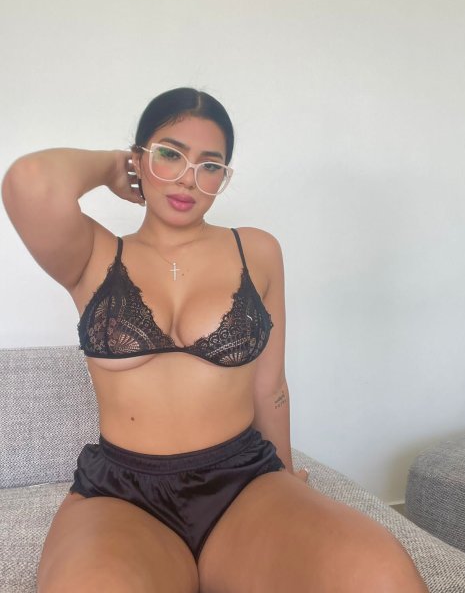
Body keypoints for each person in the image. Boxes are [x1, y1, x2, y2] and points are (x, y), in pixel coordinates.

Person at [2, 88, 428, 593]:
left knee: (382, 575)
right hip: (124, 497)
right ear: (140, 157)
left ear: (222, 178)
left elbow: (271, 387)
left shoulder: (257, 251)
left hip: (242, 484)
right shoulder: (92, 255)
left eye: (209, 165)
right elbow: (29, 181)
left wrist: (287, 477)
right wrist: (114, 167)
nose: (188, 178)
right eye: (170, 154)